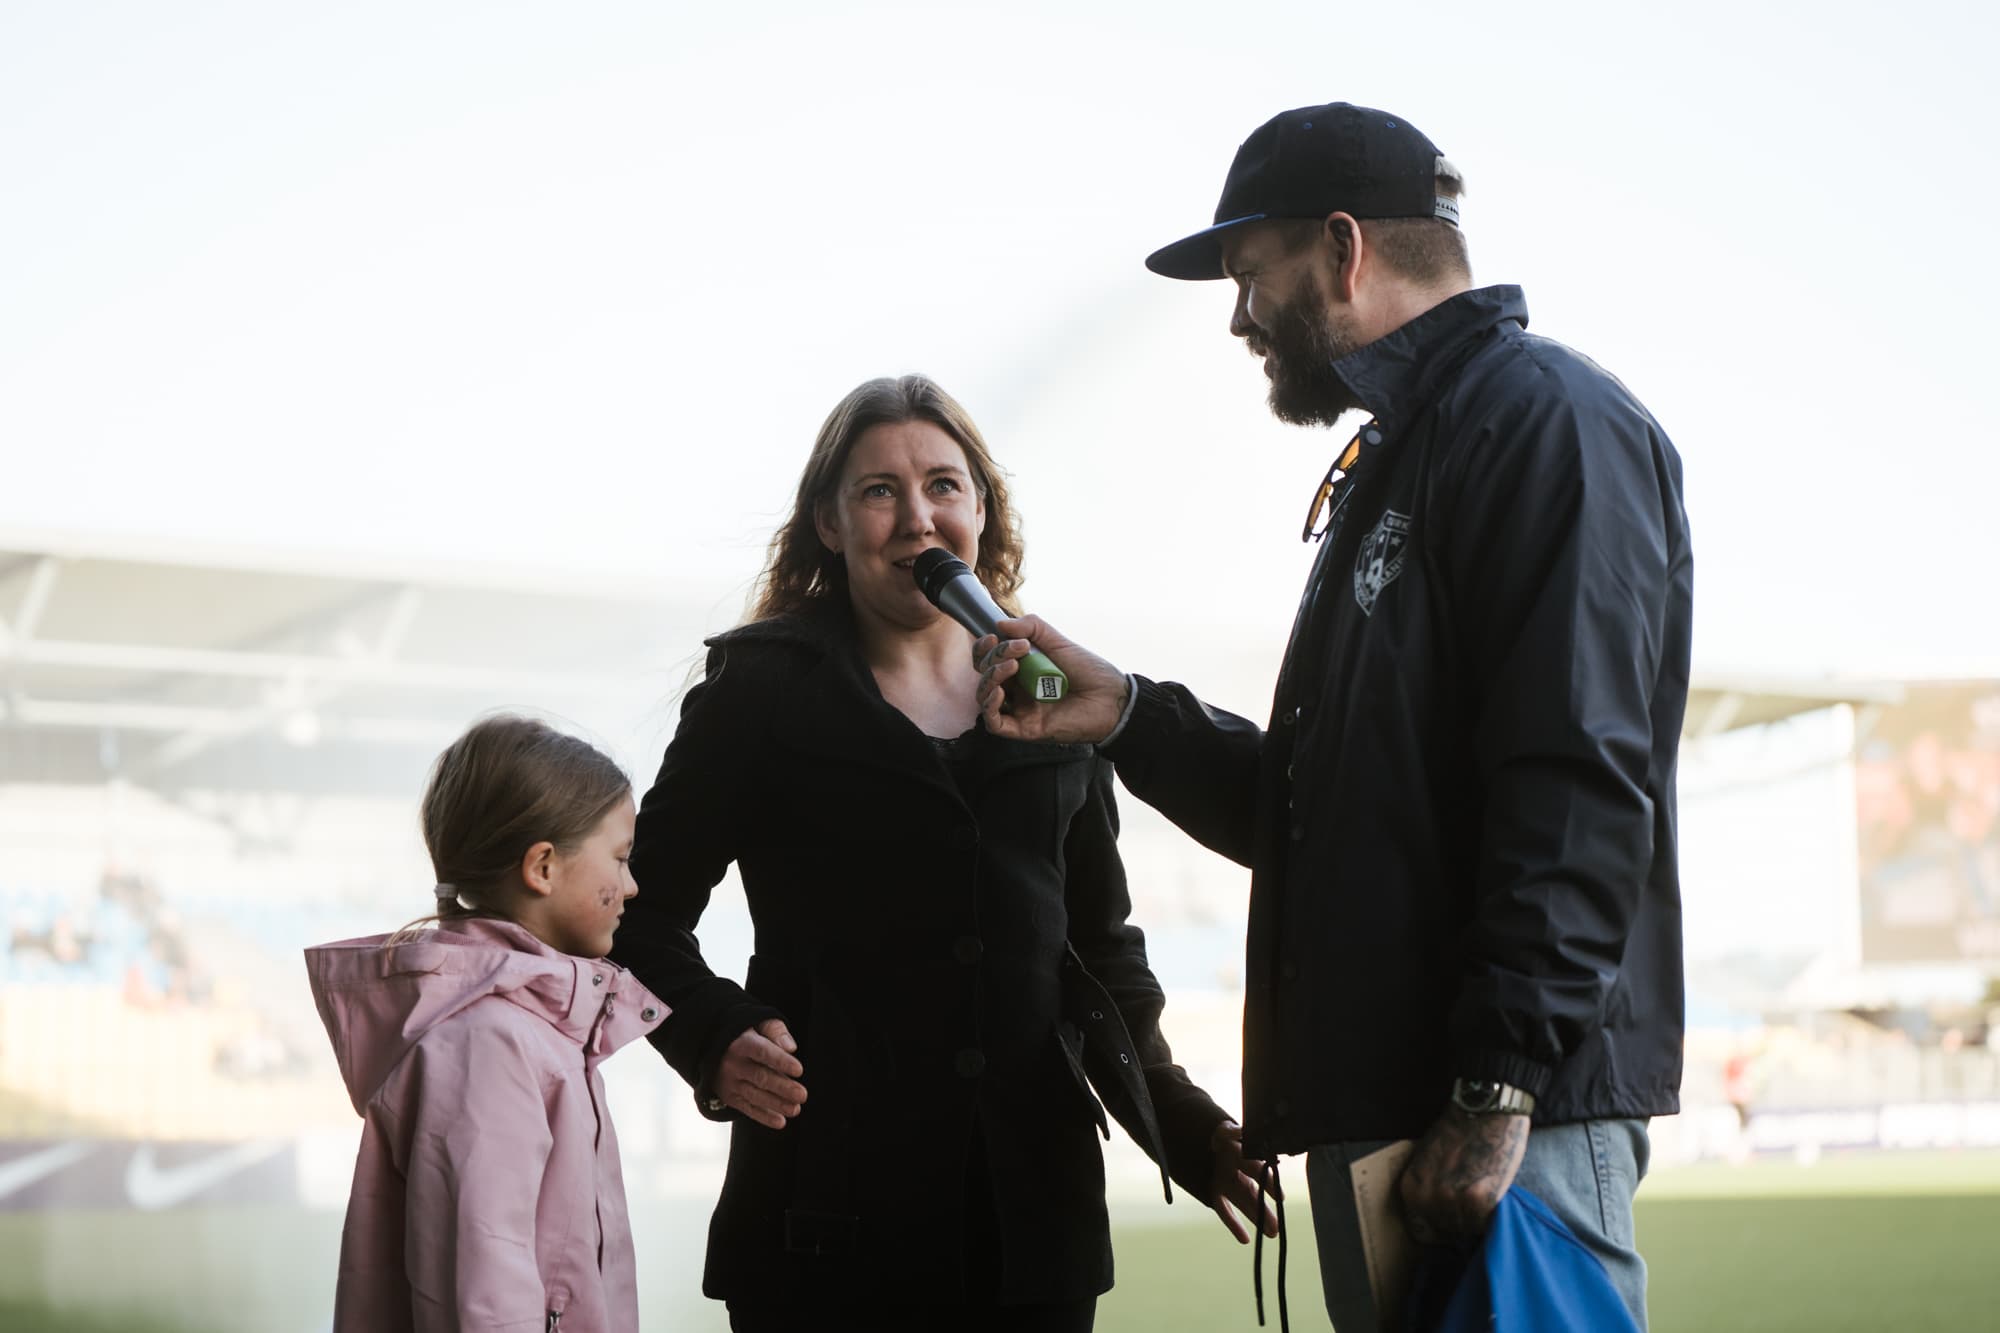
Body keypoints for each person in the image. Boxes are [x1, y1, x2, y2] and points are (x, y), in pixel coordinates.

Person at [976, 102, 1692, 1332]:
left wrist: (1496, 1086)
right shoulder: (1409, 452)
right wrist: (1129, 715)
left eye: (1250, 273)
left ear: (1343, 249)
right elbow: (1335, 814)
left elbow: (1574, 779)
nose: (1239, 317)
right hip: (1408, 1110)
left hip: (1497, 1121)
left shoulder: (1543, 423)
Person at [610, 374, 1274, 1332]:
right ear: (830, 524)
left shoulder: (1053, 690)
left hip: (1033, 1234)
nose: (917, 516)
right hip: (822, 1224)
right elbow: (636, 912)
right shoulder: (758, 692)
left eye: (943, 485)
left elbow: (1100, 952)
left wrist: (1184, 1123)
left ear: (982, 510)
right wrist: (712, 1036)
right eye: (879, 490)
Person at [304, 714, 666, 1332]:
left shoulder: (535, 1027)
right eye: (620, 859)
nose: (631, 886)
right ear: (543, 867)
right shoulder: (487, 1043)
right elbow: (484, 1287)